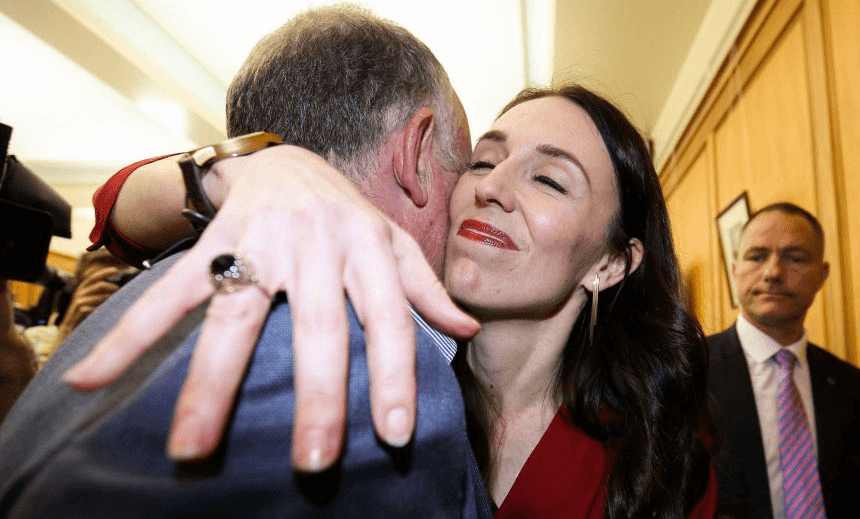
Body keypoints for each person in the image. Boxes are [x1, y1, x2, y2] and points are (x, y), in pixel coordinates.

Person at [60, 79, 718, 515]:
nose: (493, 187)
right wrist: (246, 167)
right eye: (484, 161)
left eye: (548, 178)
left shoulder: (660, 455)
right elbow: (113, 214)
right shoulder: (375, 363)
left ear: (609, 262)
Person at [0, 7, 490, 518]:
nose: (476, 196)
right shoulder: (372, 369)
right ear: (416, 154)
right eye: (468, 163)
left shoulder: (157, 290)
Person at [708, 202, 860, 519]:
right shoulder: (685, 373)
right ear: (735, 270)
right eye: (757, 257)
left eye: (795, 258)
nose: (773, 273)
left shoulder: (851, 387)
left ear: (822, 274)